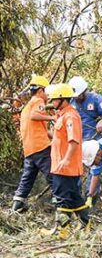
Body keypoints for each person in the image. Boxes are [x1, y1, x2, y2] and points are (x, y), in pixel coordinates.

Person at [45, 83, 89, 236]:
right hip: (60, 164)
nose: (53, 102)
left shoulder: (71, 116)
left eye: (55, 100)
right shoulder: (63, 115)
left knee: (61, 197)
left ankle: (62, 230)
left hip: (65, 166)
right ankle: (86, 224)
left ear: (63, 99)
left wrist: (66, 160)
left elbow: (74, 140)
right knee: (74, 197)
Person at [12, 75, 54, 212]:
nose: (47, 94)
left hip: (29, 149)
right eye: (46, 91)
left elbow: (44, 130)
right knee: (53, 174)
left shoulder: (26, 107)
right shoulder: (38, 101)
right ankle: (62, 202)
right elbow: (35, 116)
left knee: (28, 177)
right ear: (41, 90)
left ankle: (17, 203)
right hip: (40, 147)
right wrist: (53, 117)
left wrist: (59, 138)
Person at [69, 76, 102, 140]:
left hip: (95, 137)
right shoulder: (71, 101)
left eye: (78, 96)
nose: (76, 98)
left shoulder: (96, 99)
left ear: (84, 91)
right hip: (78, 138)